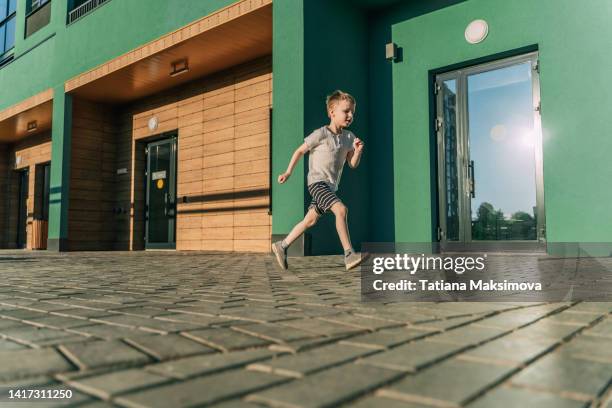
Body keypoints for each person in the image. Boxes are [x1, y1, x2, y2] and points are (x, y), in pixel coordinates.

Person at [272, 90, 365, 271]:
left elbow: (352, 164)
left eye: (352, 112)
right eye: (346, 111)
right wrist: (288, 172)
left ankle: (282, 246)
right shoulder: (321, 134)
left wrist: (358, 151)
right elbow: (299, 151)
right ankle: (349, 254)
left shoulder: (349, 138)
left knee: (310, 220)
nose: (350, 115)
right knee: (341, 209)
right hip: (316, 183)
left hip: (330, 187)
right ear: (332, 112)